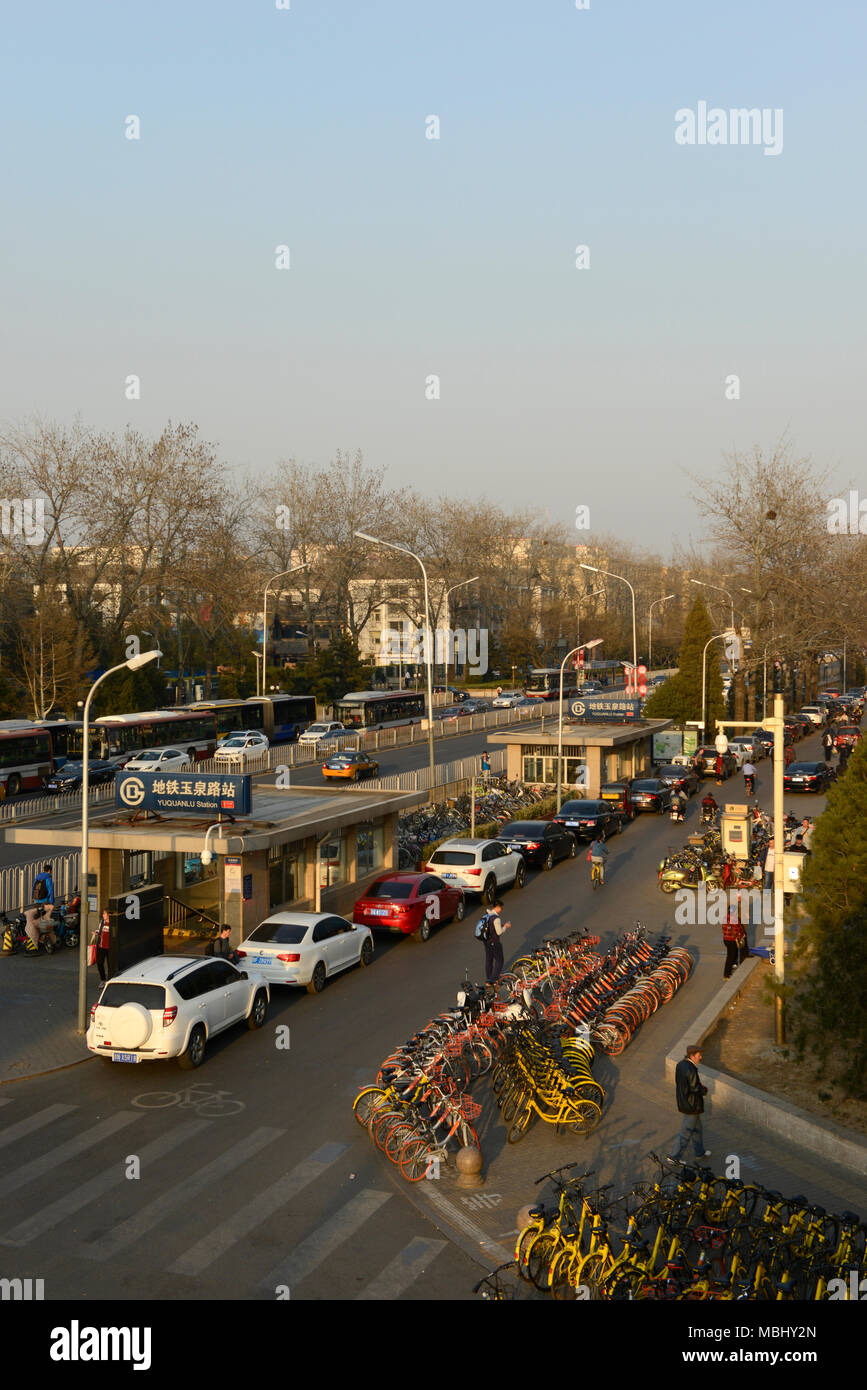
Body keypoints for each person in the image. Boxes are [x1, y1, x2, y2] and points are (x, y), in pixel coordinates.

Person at [669, 1045, 711, 1161]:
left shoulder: (681, 1064)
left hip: (685, 1102)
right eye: (699, 1055)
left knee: (697, 1130)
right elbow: (695, 1087)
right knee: (686, 1132)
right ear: (692, 1056)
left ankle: (699, 1152)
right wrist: (704, 1090)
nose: (700, 1057)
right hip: (692, 1105)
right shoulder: (691, 1069)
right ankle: (674, 1157)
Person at [480, 900, 510, 983]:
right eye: (501, 908)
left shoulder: (487, 914)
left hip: (486, 941)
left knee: (489, 959)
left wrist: (501, 925)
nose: (501, 910)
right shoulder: (496, 918)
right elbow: (499, 932)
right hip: (494, 941)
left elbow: (490, 927)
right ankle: (494, 979)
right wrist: (506, 927)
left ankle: (489, 978)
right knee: (500, 960)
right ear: (497, 907)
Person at [722, 902, 749, 979]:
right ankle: (726, 974)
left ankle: (734, 964)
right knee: (730, 957)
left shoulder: (725, 918)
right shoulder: (735, 919)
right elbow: (738, 929)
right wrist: (742, 935)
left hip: (726, 939)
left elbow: (724, 928)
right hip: (732, 940)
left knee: (731, 953)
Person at [95, 908, 111, 982]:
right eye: (103, 913)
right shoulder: (102, 922)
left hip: (109, 947)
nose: (103, 915)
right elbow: (101, 931)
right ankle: (103, 979)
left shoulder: (112, 923)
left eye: (104, 913)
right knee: (99, 963)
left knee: (110, 965)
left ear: (108, 915)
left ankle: (110, 979)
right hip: (101, 946)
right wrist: (97, 933)